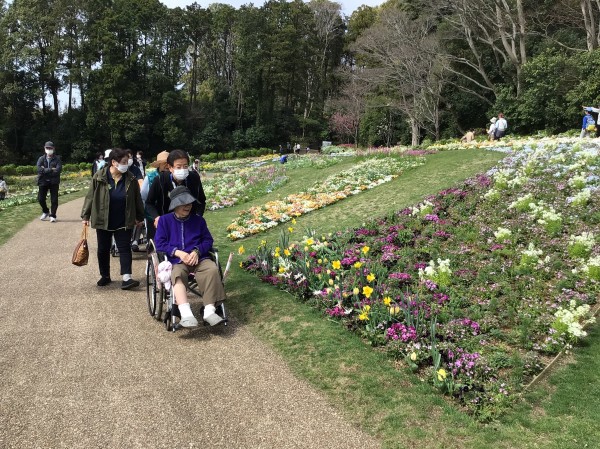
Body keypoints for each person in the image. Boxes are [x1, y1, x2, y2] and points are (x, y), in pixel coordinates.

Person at [154, 186, 225, 328]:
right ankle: (186, 314)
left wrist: (197, 251)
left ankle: (209, 311)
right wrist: (178, 252)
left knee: (212, 269)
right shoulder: (164, 221)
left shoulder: (199, 221)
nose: (188, 206)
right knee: (177, 274)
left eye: (190, 203)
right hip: (177, 261)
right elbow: (159, 244)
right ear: (175, 205)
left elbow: (208, 240)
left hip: (200, 259)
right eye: (184, 203)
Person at [81, 148, 145, 289]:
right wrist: (85, 215)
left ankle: (127, 277)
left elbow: (137, 198)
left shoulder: (131, 178)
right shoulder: (99, 176)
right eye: (124, 162)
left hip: (123, 219)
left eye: (127, 161)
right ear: (114, 162)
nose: (126, 164)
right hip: (103, 219)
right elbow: (90, 197)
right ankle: (105, 275)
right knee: (103, 249)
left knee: (124, 248)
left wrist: (140, 216)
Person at [146, 149, 206, 233]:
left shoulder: (194, 178)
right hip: (167, 224)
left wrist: (198, 216)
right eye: (178, 167)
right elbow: (149, 203)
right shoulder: (160, 180)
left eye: (185, 166)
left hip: (190, 224)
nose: (182, 169)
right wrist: (157, 217)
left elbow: (201, 200)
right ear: (170, 167)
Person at [36, 141, 62, 223]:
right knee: (40, 199)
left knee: (54, 200)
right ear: (44, 148)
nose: (49, 149)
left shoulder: (57, 159)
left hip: (54, 182)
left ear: (53, 148)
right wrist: (51, 169)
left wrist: (44, 170)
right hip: (43, 181)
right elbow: (39, 169)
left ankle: (53, 215)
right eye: (47, 148)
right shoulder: (41, 159)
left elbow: (58, 170)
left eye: (50, 148)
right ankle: (46, 211)